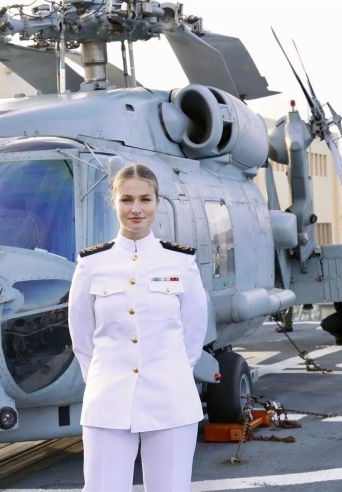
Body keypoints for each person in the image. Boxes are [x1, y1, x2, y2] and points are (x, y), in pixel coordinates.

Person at [68, 163, 208, 492]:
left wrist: (170, 373)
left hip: (170, 399)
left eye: (145, 199)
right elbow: (81, 337)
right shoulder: (92, 264)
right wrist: (104, 379)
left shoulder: (180, 262)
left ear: (157, 201)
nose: (136, 209)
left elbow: (193, 333)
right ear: (113, 202)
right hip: (108, 400)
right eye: (127, 199)